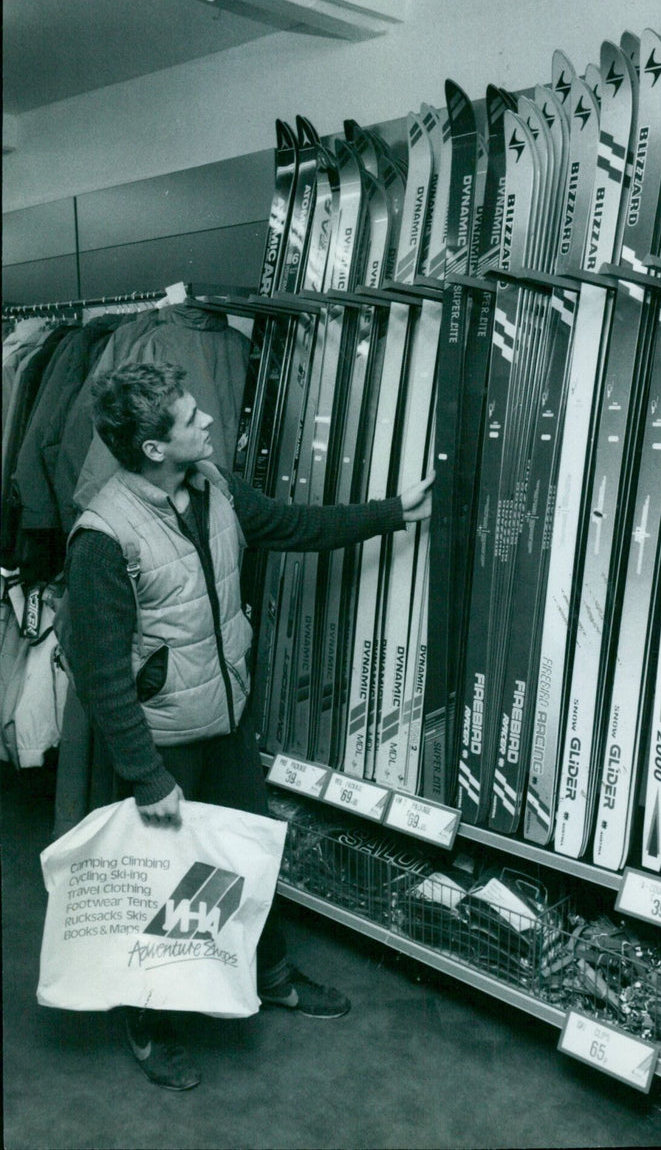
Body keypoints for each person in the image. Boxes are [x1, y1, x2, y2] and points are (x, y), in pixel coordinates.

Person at [65, 359, 433, 1091]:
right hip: (162, 741)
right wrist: (147, 778)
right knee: (159, 888)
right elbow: (101, 675)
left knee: (244, 861)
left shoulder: (215, 488)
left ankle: (271, 976)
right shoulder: (103, 536)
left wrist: (393, 511)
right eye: (190, 418)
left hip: (225, 719)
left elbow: (291, 524)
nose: (208, 422)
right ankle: (149, 1020)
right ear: (153, 447)